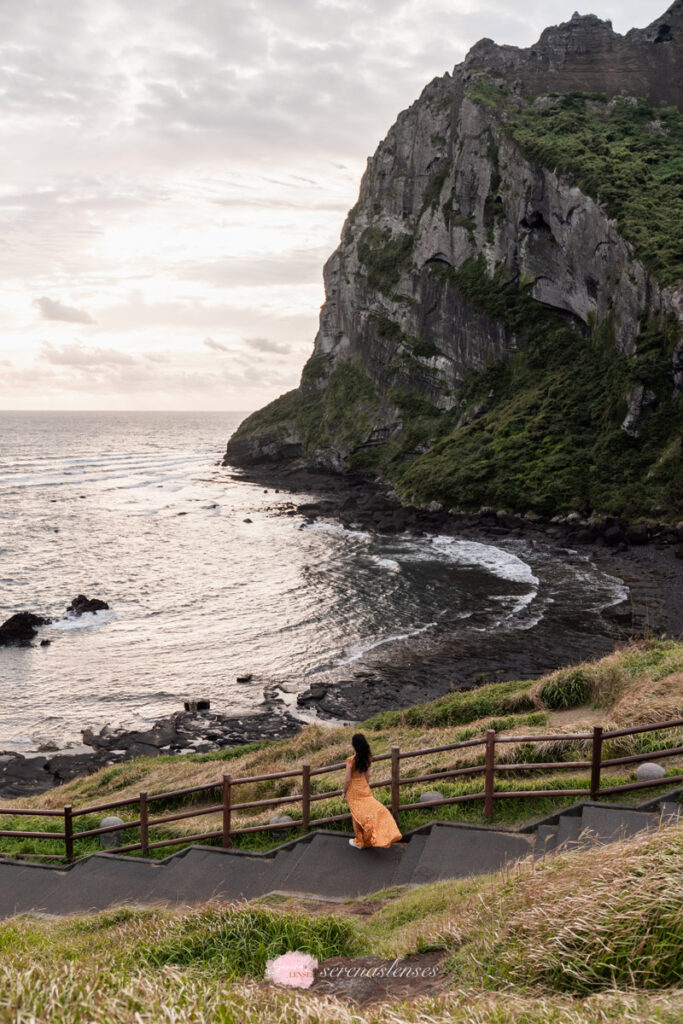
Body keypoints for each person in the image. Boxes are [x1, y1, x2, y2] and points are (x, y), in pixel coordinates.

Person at [343, 733, 402, 849]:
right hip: (363, 786)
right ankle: (368, 839)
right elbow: (367, 775)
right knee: (371, 810)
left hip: (353, 790)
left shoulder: (350, 760)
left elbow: (347, 779)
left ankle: (360, 842)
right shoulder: (368, 757)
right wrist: (365, 785)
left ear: (354, 745)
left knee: (357, 815)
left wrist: (344, 792)